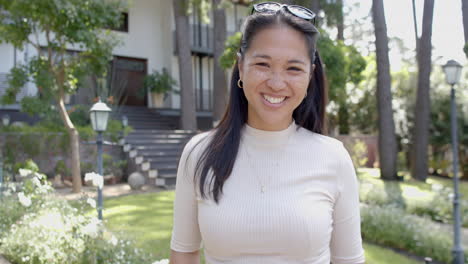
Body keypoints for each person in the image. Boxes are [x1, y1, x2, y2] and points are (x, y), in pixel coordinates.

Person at [169, 2, 365, 264]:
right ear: (241, 66)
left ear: (310, 76)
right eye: (263, 64)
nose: (276, 82)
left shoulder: (333, 157)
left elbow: (348, 261)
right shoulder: (200, 152)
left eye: (293, 68)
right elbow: (183, 254)